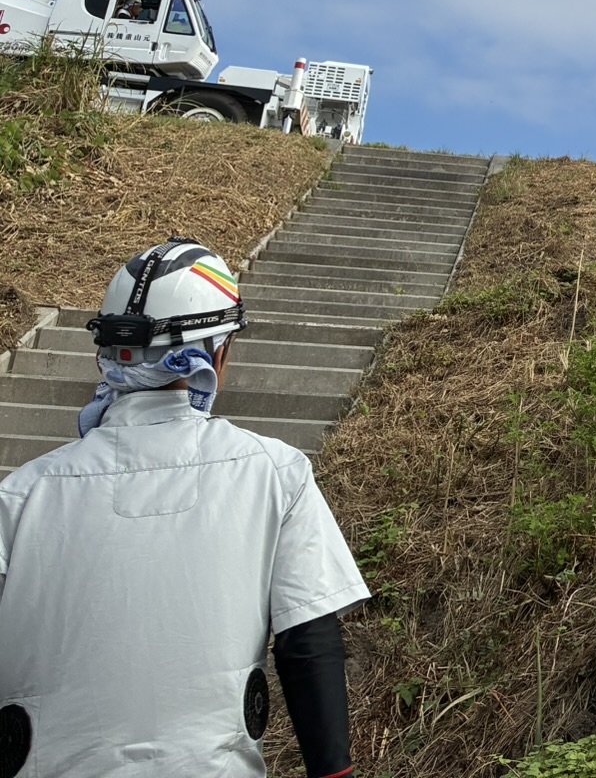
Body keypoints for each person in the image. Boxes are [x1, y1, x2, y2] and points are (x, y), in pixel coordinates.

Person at [0, 239, 368, 778]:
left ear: (110, 353)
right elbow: (306, 643)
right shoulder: (275, 472)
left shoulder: (21, 495)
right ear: (218, 352)